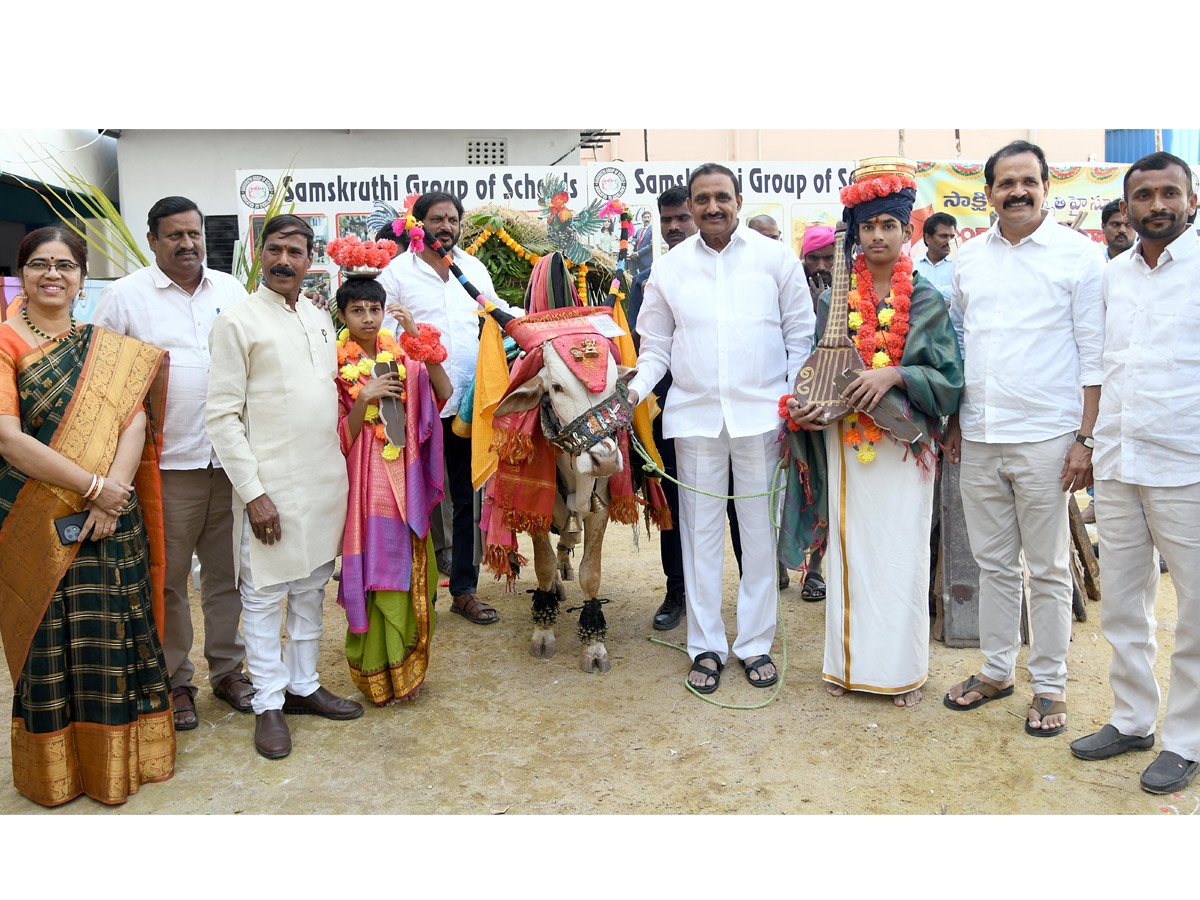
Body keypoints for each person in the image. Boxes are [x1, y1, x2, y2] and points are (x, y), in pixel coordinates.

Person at [0, 227, 175, 806]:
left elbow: (134, 418)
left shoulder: (105, 345)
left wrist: (115, 491)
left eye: (66, 265)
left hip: (110, 518)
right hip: (36, 516)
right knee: (51, 637)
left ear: (82, 276)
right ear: (21, 273)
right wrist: (94, 489)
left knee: (113, 634)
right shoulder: (4, 343)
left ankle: (119, 762)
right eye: (40, 265)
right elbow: (7, 439)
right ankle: (57, 773)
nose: (53, 275)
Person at [627, 163, 815, 694]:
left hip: (762, 418)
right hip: (695, 420)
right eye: (702, 199)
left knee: (759, 536)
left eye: (721, 197)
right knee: (700, 537)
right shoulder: (668, 270)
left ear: (738, 198)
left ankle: (755, 645)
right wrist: (633, 392)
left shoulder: (776, 258)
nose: (713, 207)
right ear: (690, 205)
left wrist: (793, 394)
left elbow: (801, 334)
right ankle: (705, 647)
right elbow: (655, 350)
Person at [782, 161, 963, 707]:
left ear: (907, 231)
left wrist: (897, 373)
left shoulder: (927, 299)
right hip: (845, 441)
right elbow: (819, 368)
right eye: (868, 226)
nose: (878, 235)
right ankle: (846, 668)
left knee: (901, 552)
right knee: (849, 551)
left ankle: (903, 672)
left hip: (902, 448)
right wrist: (805, 408)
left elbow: (950, 381)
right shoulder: (832, 301)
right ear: (855, 233)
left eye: (889, 224)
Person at [942, 141, 1104, 736]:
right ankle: (995, 670)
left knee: (1049, 568)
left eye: (1028, 181)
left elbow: (1094, 355)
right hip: (981, 434)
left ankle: (1051, 686)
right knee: (992, 565)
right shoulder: (968, 260)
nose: (1017, 191)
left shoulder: (1079, 259)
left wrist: (1085, 438)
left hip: (1047, 437)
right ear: (988, 193)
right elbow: (959, 347)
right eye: (1005, 182)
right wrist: (956, 420)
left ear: (1044, 188)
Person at [92, 196, 255, 732]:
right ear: (152, 240)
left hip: (228, 463)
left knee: (227, 575)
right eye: (174, 235)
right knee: (168, 578)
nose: (187, 244)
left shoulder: (231, 291)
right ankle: (175, 680)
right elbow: (103, 383)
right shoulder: (124, 298)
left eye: (194, 233)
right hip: (165, 467)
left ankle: (229, 671)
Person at [206, 214, 360, 760]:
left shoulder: (320, 318)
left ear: (309, 258)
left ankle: (303, 686)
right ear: (260, 251)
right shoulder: (237, 322)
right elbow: (222, 417)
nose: (284, 261)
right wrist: (253, 493)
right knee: (266, 597)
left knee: (309, 593)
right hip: (269, 490)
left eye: (296, 252)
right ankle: (268, 702)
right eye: (275, 250)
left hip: (323, 486)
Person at [1069, 152, 1200, 794]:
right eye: (1144, 195)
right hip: (1118, 463)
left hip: (1187, 463)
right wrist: (1088, 442)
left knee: (1196, 611)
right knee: (1124, 601)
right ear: (1126, 207)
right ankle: (1132, 719)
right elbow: (1098, 366)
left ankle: (1186, 738)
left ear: (1192, 200)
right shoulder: (1111, 277)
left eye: (1169, 193)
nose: (1157, 205)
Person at [376, 192, 523, 626]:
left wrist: (537, 324)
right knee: (413, 500)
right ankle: (410, 592)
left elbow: (496, 313)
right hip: (416, 404)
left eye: (452, 219)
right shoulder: (397, 273)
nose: (446, 226)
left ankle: (464, 590)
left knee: (466, 500)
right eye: (437, 219)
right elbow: (381, 336)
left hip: (466, 405)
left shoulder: (471, 268)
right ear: (417, 225)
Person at [332, 266, 452, 706]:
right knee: (372, 576)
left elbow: (444, 391)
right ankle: (375, 672)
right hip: (362, 487)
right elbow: (337, 437)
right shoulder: (335, 365)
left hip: (404, 481)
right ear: (342, 315)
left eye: (375, 309)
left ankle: (407, 670)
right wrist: (364, 398)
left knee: (407, 572)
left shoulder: (402, 358)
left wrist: (416, 336)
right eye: (357, 310)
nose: (368, 317)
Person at [627, 186, 698, 631]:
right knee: (671, 503)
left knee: (733, 508)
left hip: (728, 413)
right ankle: (677, 590)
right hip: (668, 412)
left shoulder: (747, 268)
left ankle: (754, 588)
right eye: (666, 219)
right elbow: (647, 349)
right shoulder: (647, 279)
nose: (673, 227)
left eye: (681, 218)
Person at [913, 212, 957, 301]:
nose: (949, 241)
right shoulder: (912, 266)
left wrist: (922, 292)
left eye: (952, 237)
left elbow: (959, 293)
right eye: (943, 236)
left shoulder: (958, 266)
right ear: (927, 238)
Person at [632, 209, 655, 275]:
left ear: (650, 218)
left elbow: (651, 245)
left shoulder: (653, 229)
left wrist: (638, 253)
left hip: (648, 261)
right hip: (639, 261)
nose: (646, 219)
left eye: (648, 217)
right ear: (642, 219)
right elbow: (634, 243)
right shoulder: (639, 231)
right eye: (645, 217)